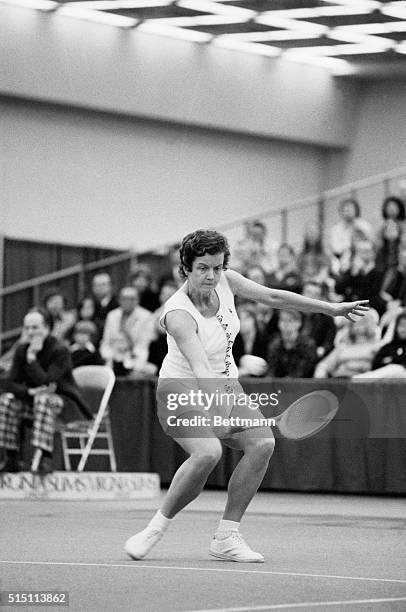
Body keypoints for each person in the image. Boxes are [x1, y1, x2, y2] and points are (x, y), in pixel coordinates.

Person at [124, 229, 368, 563]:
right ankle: (154, 529)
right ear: (186, 267)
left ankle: (226, 536)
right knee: (208, 452)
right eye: (202, 268)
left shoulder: (227, 280)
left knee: (263, 443)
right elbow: (198, 365)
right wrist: (223, 412)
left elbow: (274, 297)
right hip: (181, 389)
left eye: (217, 267)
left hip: (224, 384)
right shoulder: (177, 313)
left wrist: (330, 308)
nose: (211, 275)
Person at [0, 308, 91, 473]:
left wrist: (32, 358)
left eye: (35, 328)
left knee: (44, 400)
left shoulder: (60, 350)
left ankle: (44, 456)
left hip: (62, 405)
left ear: (47, 328)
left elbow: (47, 381)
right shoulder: (21, 350)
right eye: (27, 328)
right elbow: (9, 383)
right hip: (32, 403)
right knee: (6, 400)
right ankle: (11, 456)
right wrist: (28, 392)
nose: (30, 332)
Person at [100, 286, 154, 374]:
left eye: (132, 299)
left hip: (135, 359)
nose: (128, 302)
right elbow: (105, 343)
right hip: (112, 359)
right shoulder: (112, 315)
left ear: (137, 300)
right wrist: (109, 358)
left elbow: (142, 346)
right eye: (124, 298)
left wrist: (134, 365)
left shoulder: (146, 316)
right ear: (119, 300)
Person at [267, 309, 318, 378]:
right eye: (282, 320)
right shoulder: (274, 344)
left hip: (302, 385)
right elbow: (272, 371)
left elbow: (303, 371)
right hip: (277, 385)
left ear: (299, 323)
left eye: (290, 321)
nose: (285, 324)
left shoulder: (308, 345)